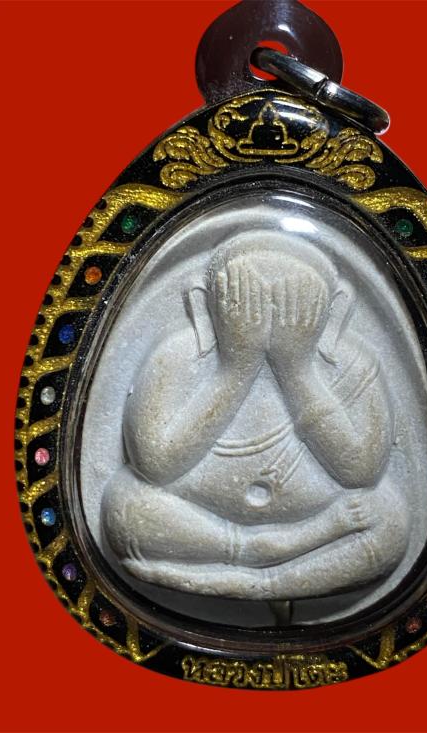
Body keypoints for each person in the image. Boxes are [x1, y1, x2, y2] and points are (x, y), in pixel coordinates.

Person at [102, 233, 409, 599]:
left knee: (389, 518)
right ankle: (246, 550)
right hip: (197, 524)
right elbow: (154, 465)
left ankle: (270, 584)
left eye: (294, 299)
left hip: (322, 525)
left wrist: (296, 369)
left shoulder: (352, 363)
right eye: (245, 298)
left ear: (333, 308)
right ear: (205, 302)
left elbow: (361, 471)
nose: (266, 315)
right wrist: (236, 367)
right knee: (125, 504)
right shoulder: (176, 355)